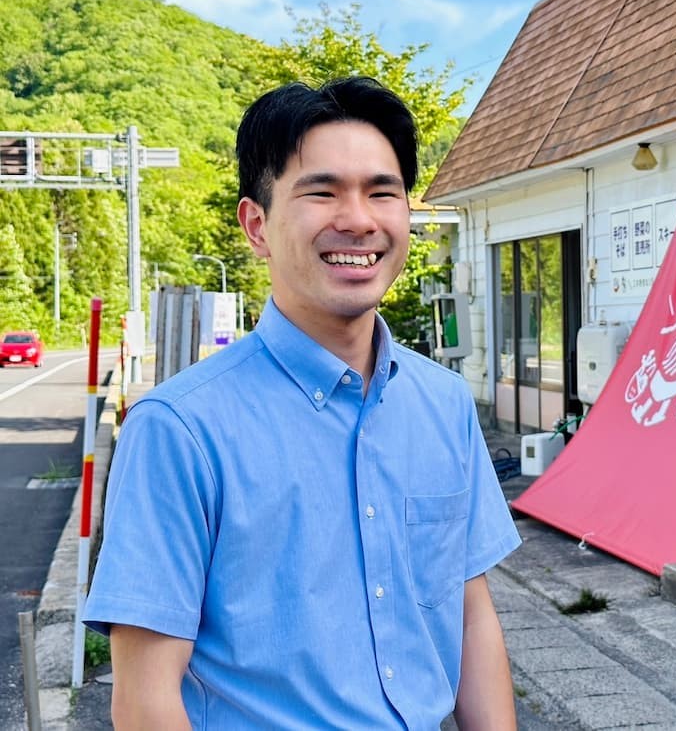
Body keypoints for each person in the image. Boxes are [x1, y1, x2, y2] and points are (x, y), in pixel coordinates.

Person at [84, 77, 521, 730]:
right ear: (256, 225)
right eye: (322, 191)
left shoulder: (445, 403)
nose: (359, 218)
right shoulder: (179, 430)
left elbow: (469, 612)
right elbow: (146, 698)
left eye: (383, 191)